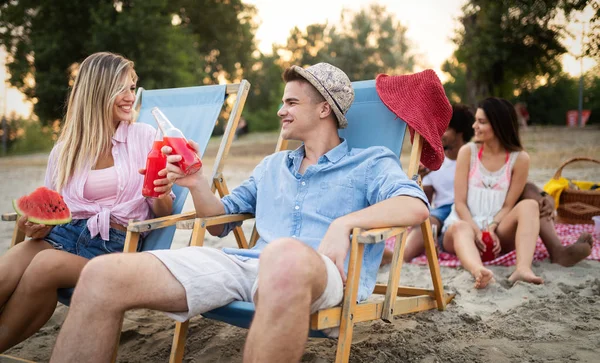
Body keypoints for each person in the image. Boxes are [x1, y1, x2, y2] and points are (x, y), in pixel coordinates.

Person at [50, 63, 430, 363]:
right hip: (247, 266)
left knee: (284, 254)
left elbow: (415, 205)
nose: (280, 111)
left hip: (320, 273)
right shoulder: (272, 166)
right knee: (102, 275)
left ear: (325, 108)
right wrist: (198, 182)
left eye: (291, 103)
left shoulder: (369, 162)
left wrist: (344, 223)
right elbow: (220, 222)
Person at [0, 52, 173, 352]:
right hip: (64, 235)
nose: (130, 96)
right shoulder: (65, 149)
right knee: (10, 266)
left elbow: (162, 210)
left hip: (113, 246)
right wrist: (34, 226)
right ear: (98, 90)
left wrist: (159, 190)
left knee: (44, 265)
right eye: (122, 88)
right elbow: (52, 206)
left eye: (132, 87)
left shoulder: (146, 136)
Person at [441, 97, 541, 289]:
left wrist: (492, 228)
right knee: (460, 227)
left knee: (530, 205)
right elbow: (460, 203)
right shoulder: (467, 152)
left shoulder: (519, 159)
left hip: (497, 230)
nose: (474, 126)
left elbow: (508, 205)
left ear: (498, 124)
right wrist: (477, 231)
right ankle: (479, 271)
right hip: (465, 227)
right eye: (475, 120)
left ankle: (523, 269)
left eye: (481, 122)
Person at [381, 105, 474, 265]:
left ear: (460, 131)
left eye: (446, 130)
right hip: (442, 211)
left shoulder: (474, 158)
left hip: (467, 207)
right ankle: (399, 255)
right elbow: (426, 201)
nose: (440, 135)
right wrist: (420, 179)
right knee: (426, 221)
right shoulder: (434, 162)